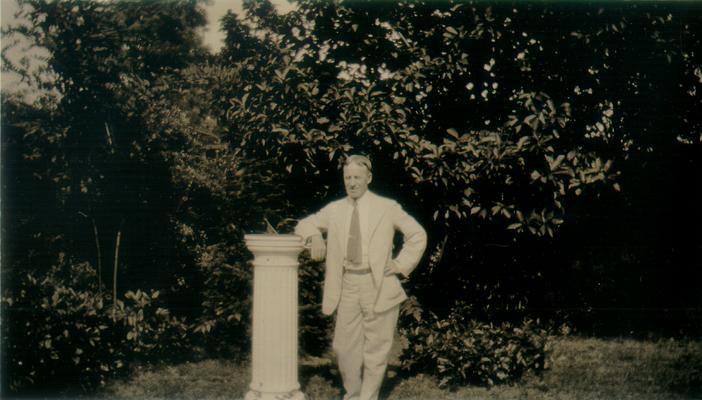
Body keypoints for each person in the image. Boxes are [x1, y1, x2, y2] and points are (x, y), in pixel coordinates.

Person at [295, 154, 427, 400]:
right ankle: (353, 393)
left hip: (378, 284)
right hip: (348, 283)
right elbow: (303, 224)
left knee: (377, 347)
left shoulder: (387, 207)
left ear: (369, 178)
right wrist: (314, 236)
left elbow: (417, 235)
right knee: (344, 347)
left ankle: (367, 398)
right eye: (348, 178)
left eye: (357, 177)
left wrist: (400, 264)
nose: (352, 182)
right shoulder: (335, 210)